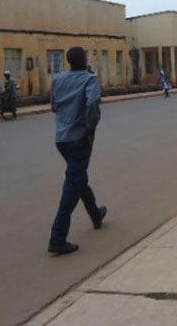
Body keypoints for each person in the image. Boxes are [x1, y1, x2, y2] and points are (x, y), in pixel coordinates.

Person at [48, 47, 107, 255]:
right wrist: (90, 129)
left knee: (77, 177)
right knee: (72, 185)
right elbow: (93, 103)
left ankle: (95, 214)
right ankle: (58, 237)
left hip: (61, 138)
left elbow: (54, 106)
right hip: (79, 138)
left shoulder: (59, 79)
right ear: (84, 60)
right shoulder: (90, 79)